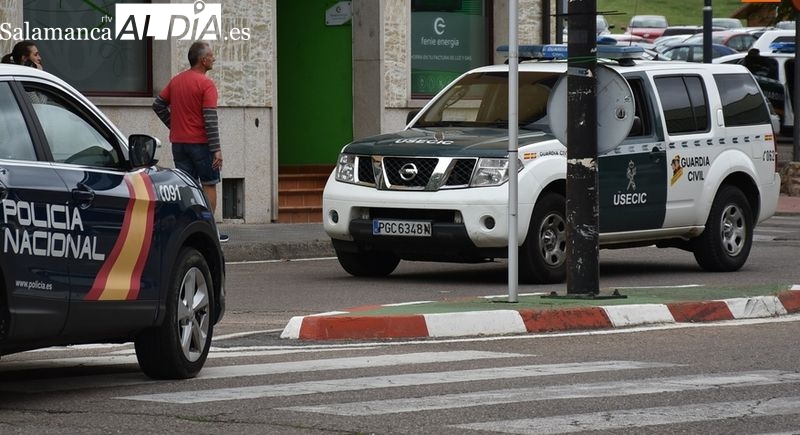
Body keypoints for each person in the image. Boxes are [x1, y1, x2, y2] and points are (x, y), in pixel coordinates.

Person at [153, 41, 228, 242]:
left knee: (187, 187)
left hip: (179, 144)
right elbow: (210, 120)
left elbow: (158, 105)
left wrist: (174, 125)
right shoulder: (206, 84)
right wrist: (217, 150)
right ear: (203, 60)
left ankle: (187, 231)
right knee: (209, 184)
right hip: (202, 145)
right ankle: (210, 231)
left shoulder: (176, 81)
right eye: (211, 55)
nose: (214, 58)